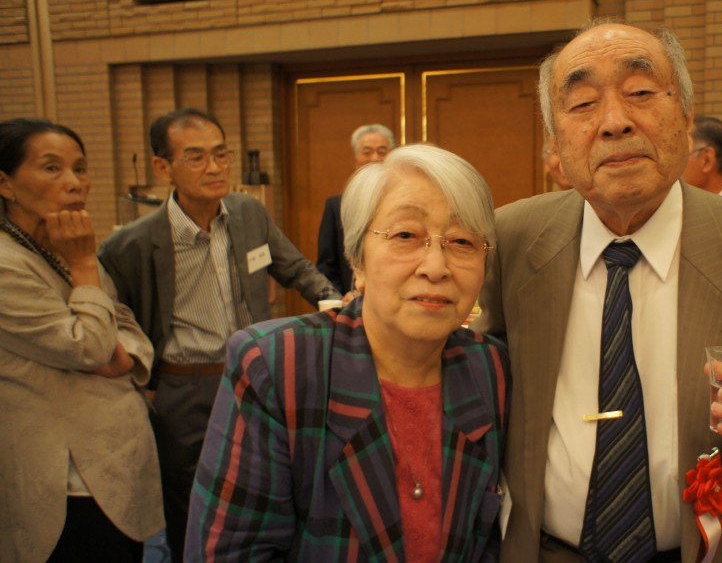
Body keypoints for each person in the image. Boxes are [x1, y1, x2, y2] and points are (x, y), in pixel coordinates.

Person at [474, 21, 722, 562]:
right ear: (555, 142)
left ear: (687, 120)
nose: (615, 122)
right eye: (582, 104)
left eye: (641, 92)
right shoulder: (509, 239)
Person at [184, 144, 510, 561]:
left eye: (462, 241)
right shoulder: (277, 366)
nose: (435, 267)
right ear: (357, 261)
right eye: (405, 236)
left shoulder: (491, 369)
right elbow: (229, 553)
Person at [98, 108, 340, 563]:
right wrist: (143, 383)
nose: (214, 167)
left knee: (264, 483)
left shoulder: (248, 213)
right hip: (184, 388)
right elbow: (119, 319)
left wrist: (338, 304)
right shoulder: (131, 244)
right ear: (163, 167)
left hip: (254, 375)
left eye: (221, 154)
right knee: (189, 502)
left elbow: (296, 270)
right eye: (196, 157)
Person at [0, 118, 163, 561]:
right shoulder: (10, 262)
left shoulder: (57, 245)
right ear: (6, 184)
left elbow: (125, 324)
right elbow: (90, 346)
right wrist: (85, 264)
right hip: (64, 484)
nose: (74, 182)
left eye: (80, 168)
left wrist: (123, 357)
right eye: (52, 168)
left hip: (117, 466)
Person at [317, 123, 396, 293]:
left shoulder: (403, 205)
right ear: (356, 160)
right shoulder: (336, 206)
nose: (375, 158)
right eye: (367, 152)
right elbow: (327, 266)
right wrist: (340, 299)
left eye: (382, 151)